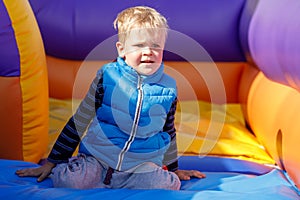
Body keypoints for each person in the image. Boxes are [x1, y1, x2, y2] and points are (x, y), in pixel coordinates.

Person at [16, 6, 205, 190]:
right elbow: (80, 119)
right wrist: (53, 161)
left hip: (138, 165)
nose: (148, 51)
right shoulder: (107, 77)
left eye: (155, 46)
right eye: (139, 45)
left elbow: (168, 132)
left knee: (167, 185)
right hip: (99, 158)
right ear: (121, 50)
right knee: (68, 181)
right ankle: (80, 169)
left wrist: (174, 169)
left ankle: (134, 179)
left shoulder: (168, 88)